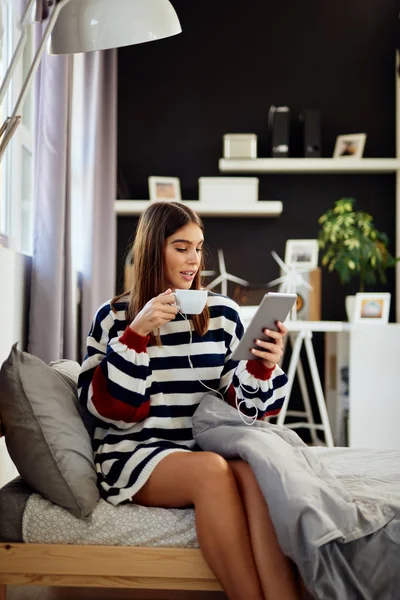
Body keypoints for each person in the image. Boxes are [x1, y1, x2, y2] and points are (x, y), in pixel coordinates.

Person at [78, 201, 300, 600]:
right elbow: (110, 410)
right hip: (135, 450)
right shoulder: (112, 317)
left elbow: (246, 416)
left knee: (254, 474)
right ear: (152, 250)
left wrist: (263, 367)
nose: (194, 260)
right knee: (212, 472)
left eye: (199, 248)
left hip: (202, 446)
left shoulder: (224, 315)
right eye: (181, 247)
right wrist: (136, 333)